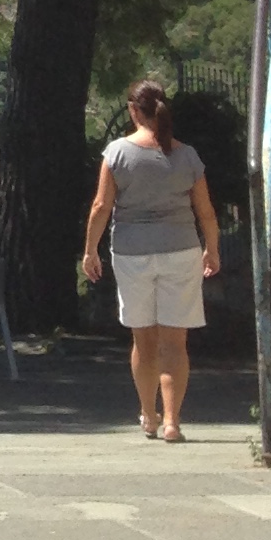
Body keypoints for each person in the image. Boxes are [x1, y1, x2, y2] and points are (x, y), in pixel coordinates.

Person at [83, 78, 220, 441]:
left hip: (132, 253)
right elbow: (205, 211)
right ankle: (174, 421)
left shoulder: (117, 153)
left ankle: (148, 414)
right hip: (181, 250)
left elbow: (101, 207)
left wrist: (90, 250)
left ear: (132, 110)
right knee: (176, 343)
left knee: (143, 341)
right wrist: (213, 247)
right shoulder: (187, 155)